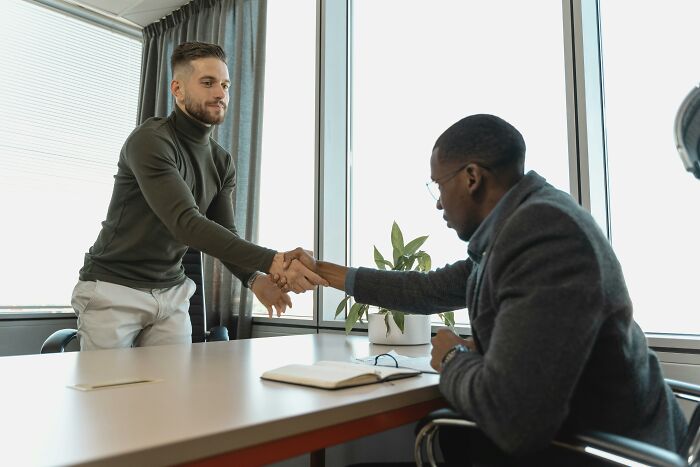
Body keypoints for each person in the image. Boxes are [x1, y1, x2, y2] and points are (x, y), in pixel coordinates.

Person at [284, 114, 687, 464]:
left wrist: (455, 357)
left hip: (605, 454)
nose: (439, 203)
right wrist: (323, 272)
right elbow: (427, 289)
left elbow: (516, 419)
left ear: (472, 177)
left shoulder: (543, 234)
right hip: (578, 440)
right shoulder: (517, 226)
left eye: (438, 186)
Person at [74, 41, 326, 351]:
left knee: (175, 395)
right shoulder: (151, 141)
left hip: (171, 293)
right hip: (115, 288)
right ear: (177, 89)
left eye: (225, 84)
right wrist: (274, 261)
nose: (221, 93)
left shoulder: (222, 162)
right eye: (208, 83)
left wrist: (255, 279)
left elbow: (225, 232)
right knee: (108, 397)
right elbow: (186, 224)